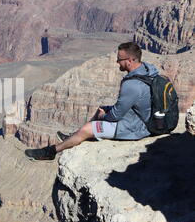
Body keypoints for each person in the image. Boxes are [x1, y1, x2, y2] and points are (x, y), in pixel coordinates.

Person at [25, 42, 159, 161]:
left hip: (134, 128)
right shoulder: (146, 71)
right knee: (103, 108)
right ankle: (72, 137)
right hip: (139, 118)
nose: (117, 62)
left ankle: (51, 151)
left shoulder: (132, 85)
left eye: (119, 59)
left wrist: (103, 117)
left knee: (86, 129)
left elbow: (115, 116)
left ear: (130, 60)